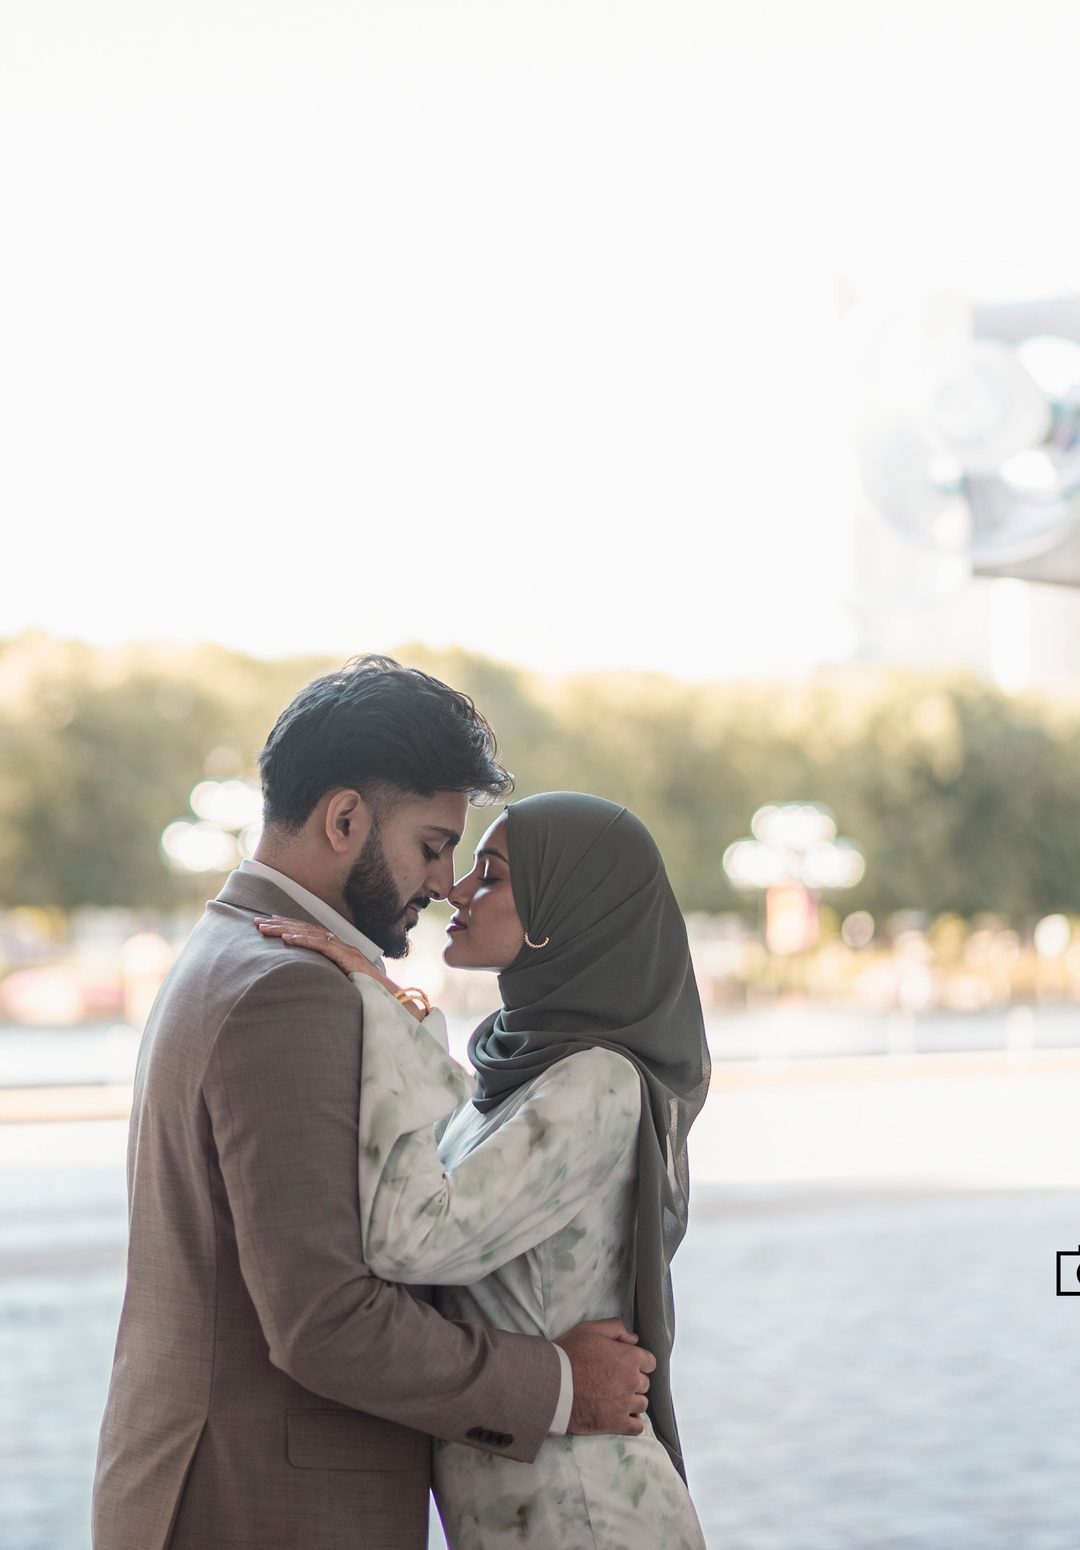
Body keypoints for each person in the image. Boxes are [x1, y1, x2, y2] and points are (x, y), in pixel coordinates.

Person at [93, 659, 658, 1550]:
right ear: (345, 817)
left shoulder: (233, 948)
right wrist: (559, 1384)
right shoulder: (290, 988)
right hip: (262, 1510)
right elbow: (327, 1320)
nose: (442, 883)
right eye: (433, 845)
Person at [258, 790, 711, 1550]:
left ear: (570, 912)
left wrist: (376, 1004)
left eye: (492, 875)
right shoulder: (522, 1075)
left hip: (588, 1514)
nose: (455, 890)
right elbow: (416, 1178)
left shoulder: (597, 1079)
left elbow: (414, 1236)